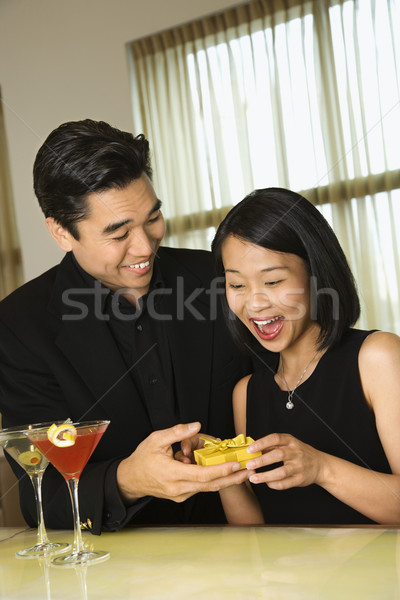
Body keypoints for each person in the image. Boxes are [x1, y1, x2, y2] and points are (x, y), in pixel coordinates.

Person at [0, 119, 255, 534]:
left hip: (255, 540)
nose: (145, 246)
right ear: (61, 232)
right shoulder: (18, 327)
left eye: (152, 218)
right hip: (118, 570)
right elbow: (40, 495)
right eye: (118, 233)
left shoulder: (217, 277)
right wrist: (129, 479)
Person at [183, 187, 400, 525]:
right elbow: (256, 529)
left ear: (316, 274)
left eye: (272, 281)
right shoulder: (247, 393)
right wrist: (220, 469)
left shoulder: (377, 358)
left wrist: (321, 468)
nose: (254, 304)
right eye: (237, 286)